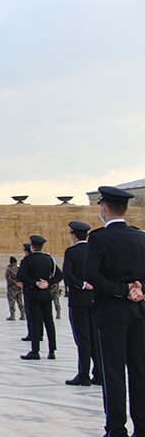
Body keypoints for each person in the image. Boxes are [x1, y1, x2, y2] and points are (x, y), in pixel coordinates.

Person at [83, 186, 145, 437]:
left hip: (111, 314)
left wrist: (121, 290)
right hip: (139, 311)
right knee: (140, 372)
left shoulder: (98, 238)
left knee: (113, 373)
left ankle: (116, 429)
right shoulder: (141, 237)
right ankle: (141, 427)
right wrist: (138, 290)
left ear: (104, 208)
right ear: (127, 209)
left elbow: (91, 275)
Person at [63, 221, 100, 386]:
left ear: (74, 235)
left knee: (83, 338)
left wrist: (83, 284)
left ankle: (83, 374)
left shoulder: (72, 252)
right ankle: (99, 374)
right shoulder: (95, 250)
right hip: (96, 300)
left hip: (79, 301)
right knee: (95, 337)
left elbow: (67, 274)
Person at [18, 235, 62, 360]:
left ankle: (35, 351)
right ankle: (52, 350)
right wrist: (48, 282)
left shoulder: (27, 260)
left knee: (35, 322)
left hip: (33, 294)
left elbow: (21, 276)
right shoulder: (49, 259)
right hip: (47, 294)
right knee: (49, 321)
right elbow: (59, 275)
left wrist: (35, 283)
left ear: (32, 247)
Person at [5, 257, 25, 321]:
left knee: (12, 302)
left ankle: (12, 315)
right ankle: (23, 315)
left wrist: (15, 283)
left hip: (12, 288)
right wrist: (20, 283)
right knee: (20, 301)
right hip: (19, 288)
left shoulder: (9, 269)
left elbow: (8, 278)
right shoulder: (19, 268)